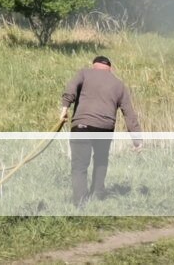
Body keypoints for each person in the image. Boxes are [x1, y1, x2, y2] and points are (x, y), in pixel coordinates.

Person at [59, 55, 143, 206]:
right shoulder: (119, 84)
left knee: (79, 165)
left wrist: (65, 108)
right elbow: (129, 113)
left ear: (93, 65)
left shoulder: (84, 73)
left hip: (82, 125)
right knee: (101, 160)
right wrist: (137, 139)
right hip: (105, 128)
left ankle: (80, 203)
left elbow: (71, 87)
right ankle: (97, 196)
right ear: (110, 68)